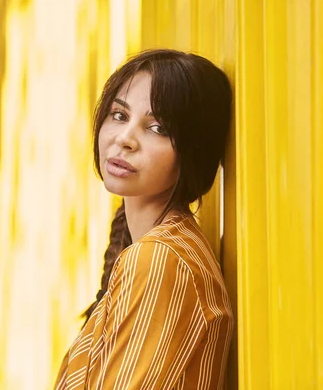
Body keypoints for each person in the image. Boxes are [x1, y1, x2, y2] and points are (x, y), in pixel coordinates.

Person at [54, 49, 234, 389]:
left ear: (193, 152)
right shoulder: (149, 250)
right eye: (119, 115)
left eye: (157, 128)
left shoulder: (162, 261)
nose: (125, 139)